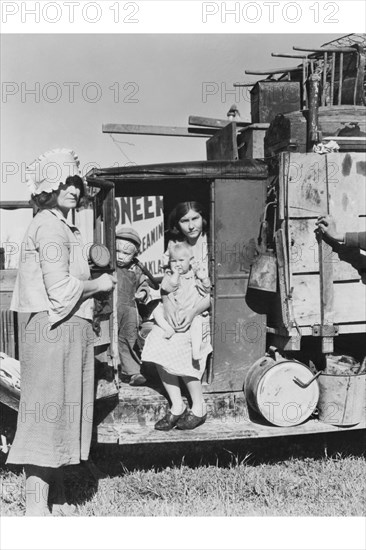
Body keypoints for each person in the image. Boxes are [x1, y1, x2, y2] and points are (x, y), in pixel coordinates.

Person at [6, 149, 117, 516]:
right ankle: (36, 506)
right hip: (53, 329)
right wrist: (100, 285)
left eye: (75, 182)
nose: (72, 188)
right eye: (63, 182)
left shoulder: (61, 225)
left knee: (60, 414)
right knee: (46, 416)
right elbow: (60, 290)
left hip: (65, 328)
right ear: (47, 188)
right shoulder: (50, 226)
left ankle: (58, 495)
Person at [141, 201, 212, 431]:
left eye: (195, 218)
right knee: (157, 339)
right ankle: (176, 405)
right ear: (178, 223)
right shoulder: (173, 246)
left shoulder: (212, 245)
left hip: (201, 310)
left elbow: (213, 294)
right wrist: (167, 304)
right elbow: (166, 285)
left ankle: (199, 407)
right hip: (177, 307)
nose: (191, 226)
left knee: (184, 346)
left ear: (203, 217)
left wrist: (192, 313)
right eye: (184, 220)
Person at [154, 241, 211, 361]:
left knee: (198, 323)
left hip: (190, 311)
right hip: (175, 312)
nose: (177, 264)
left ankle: (196, 350)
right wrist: (175, 275)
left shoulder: (195, 275)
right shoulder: (170, 275)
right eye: (173, 261)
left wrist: (204, 278)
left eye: (181, 260)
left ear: (190, 261)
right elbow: (166, 288)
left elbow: (207, 290)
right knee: (156, 311)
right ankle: (167, 328)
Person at [116, 225, 150, 386]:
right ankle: (106, 372)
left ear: (135, 253)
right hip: (110, 308)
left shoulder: (136, 269)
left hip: (129, 308)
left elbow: (144, 285)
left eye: (126, 253)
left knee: (129, 338)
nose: (121, 256)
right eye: (117, 251)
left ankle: (134, 372)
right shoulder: (107, 266)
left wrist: (142, 293)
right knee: (106, 340)